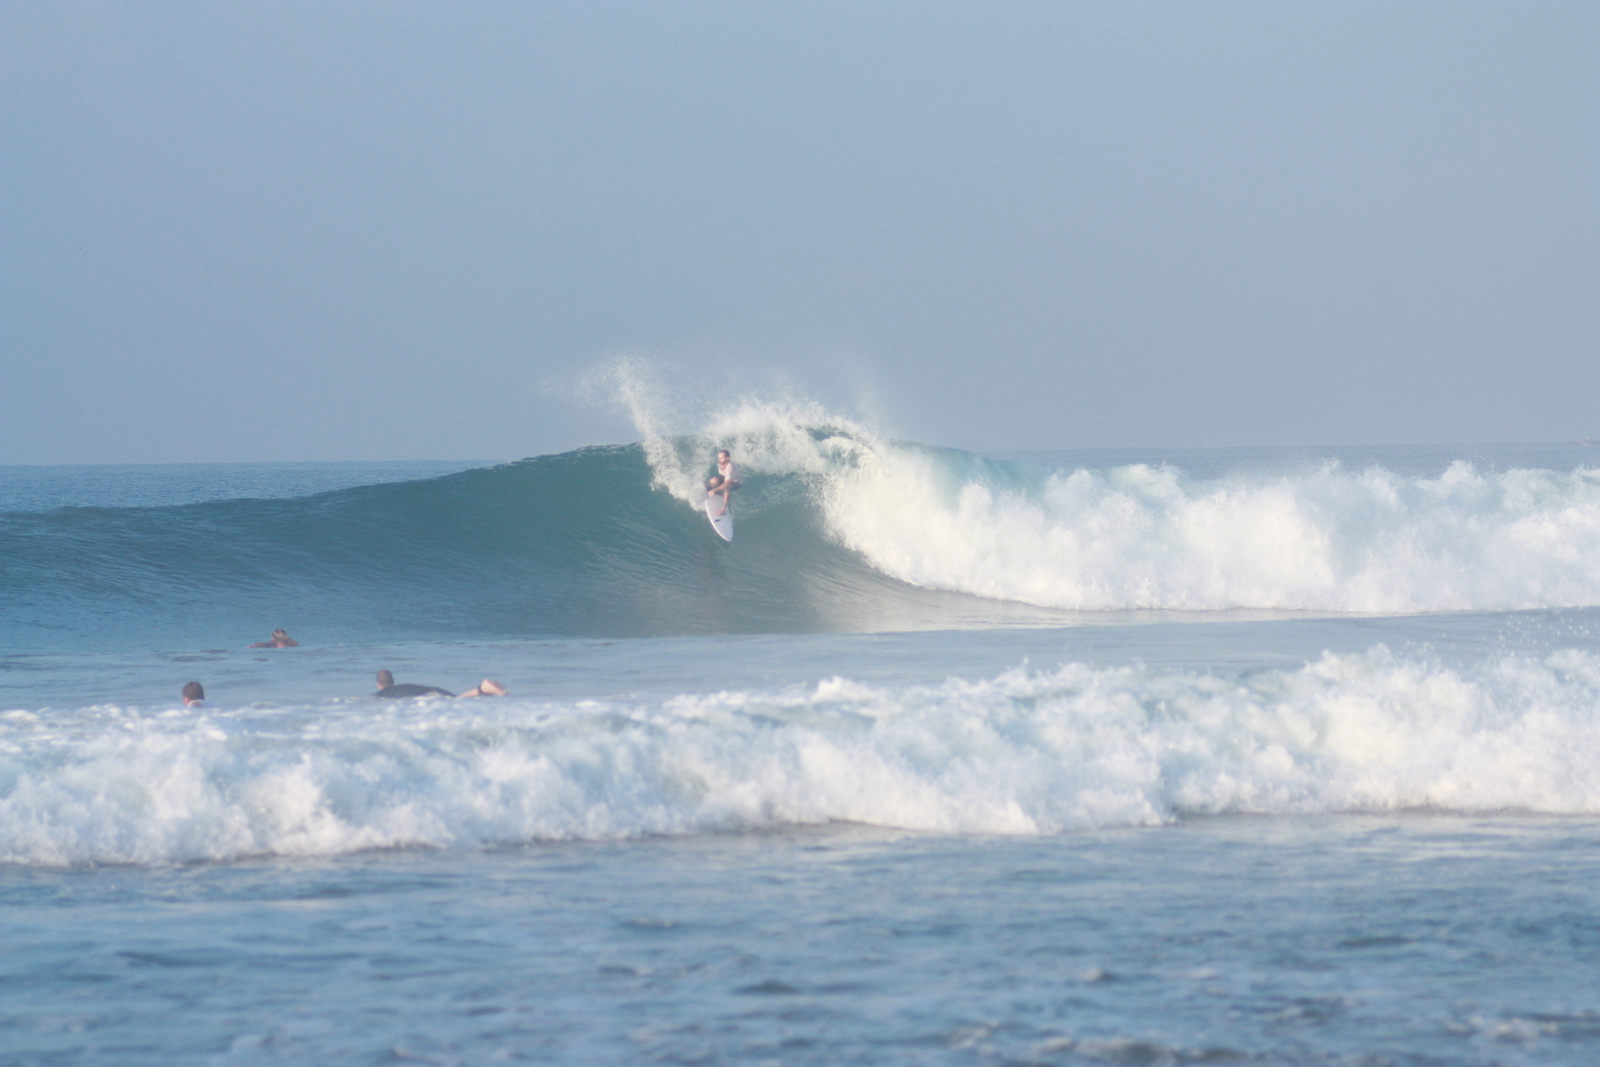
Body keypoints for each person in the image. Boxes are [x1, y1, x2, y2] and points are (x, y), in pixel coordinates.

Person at [373, 669, 454, 699]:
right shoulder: (407, 687)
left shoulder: (377, 696)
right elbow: (435, 690)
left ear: (378, 684)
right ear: (393, 681)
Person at [709, 449, 741, 516]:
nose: (719, 459)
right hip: (725, 477)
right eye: (718, 458)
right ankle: (715, 492)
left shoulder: (729, 468)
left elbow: (726, 483)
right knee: (713, 480)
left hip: (736, 482)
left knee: (726, 487)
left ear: (727, 458)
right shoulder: (720, 464)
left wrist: (715, 489)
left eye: (721, 458)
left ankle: (724, 509)